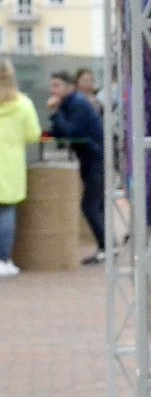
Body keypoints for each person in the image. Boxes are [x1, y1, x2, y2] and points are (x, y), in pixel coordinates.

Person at [46, 69, 105, 261]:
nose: (53, 90)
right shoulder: (69, 103)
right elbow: (61, 132)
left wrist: (55, 112)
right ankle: (106, 246)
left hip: (95, 158)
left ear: (69, 87)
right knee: (94, 205)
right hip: (88, 159)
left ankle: (107, 247)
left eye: (57, 85)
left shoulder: (78, 103)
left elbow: (71, 131)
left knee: (90, 206)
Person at [0, 60, 41, 276]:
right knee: (6, 212)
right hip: (9, 164)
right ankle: (3, 260)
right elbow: (33, 134)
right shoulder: (23, 104)